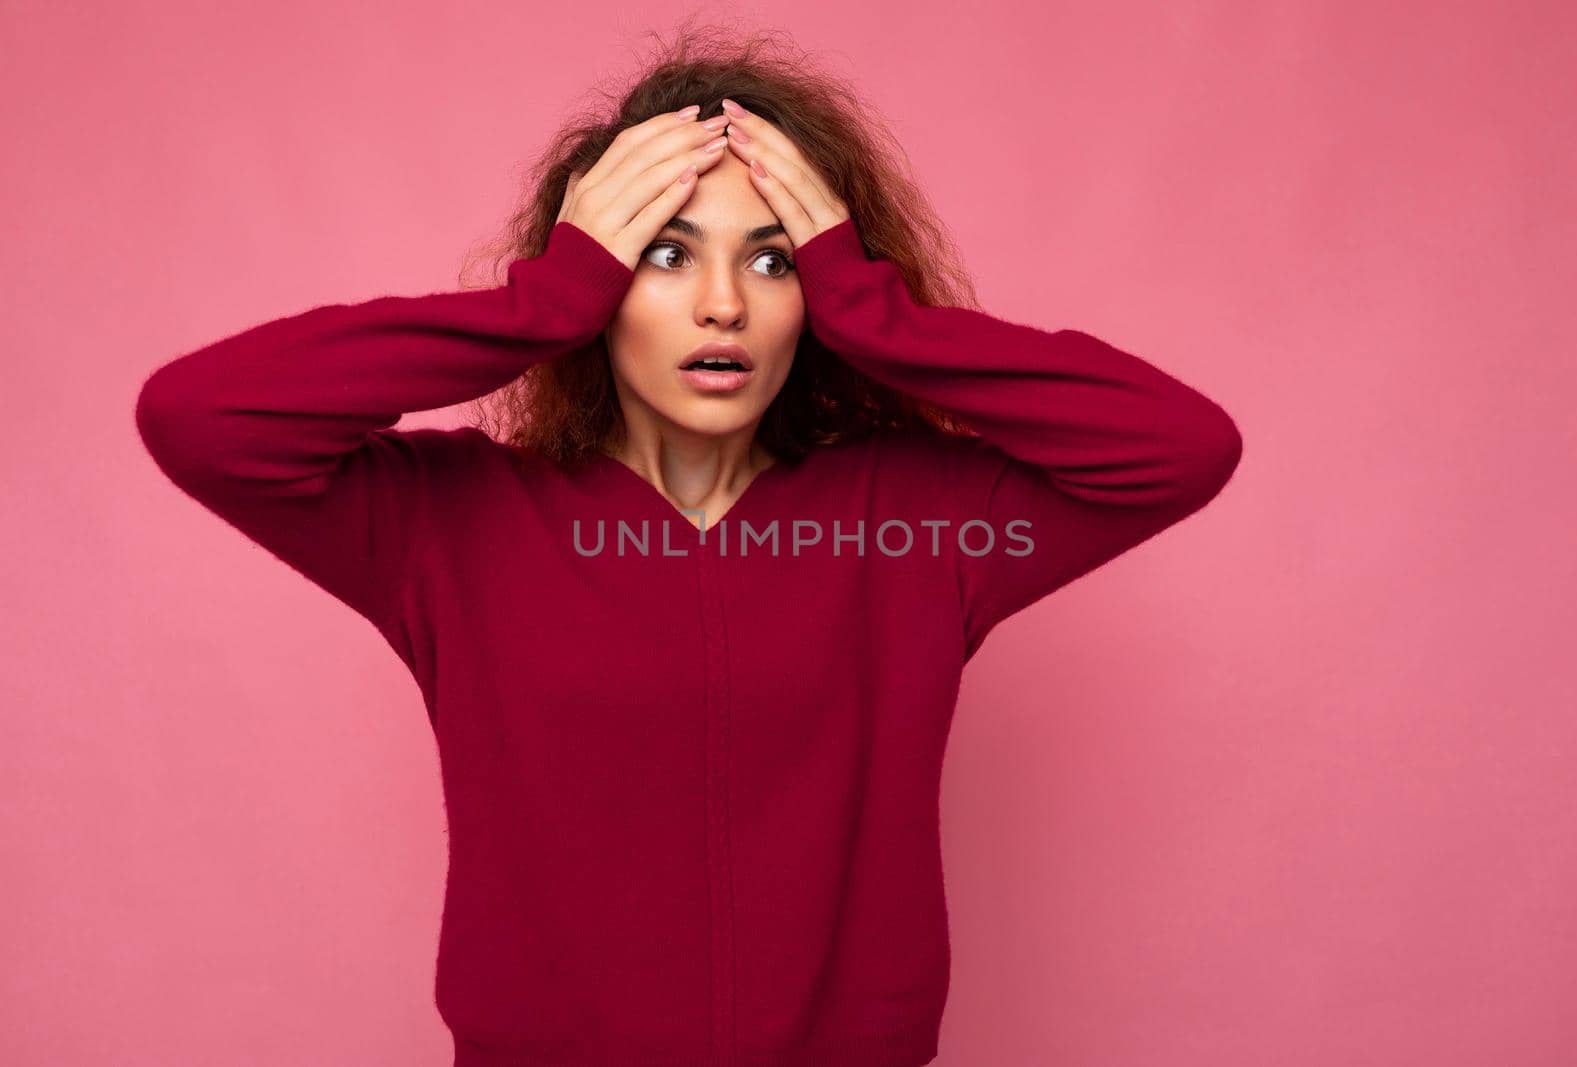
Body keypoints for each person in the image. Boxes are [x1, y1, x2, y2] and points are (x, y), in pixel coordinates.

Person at [134, 27, 1242, 1067]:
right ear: (600, 286)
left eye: (772, 263)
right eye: (664, 255)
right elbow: (201, 418)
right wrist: (540, 303)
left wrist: (875, 309)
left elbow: (1180, 447)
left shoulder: (914, 520)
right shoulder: (448, 525)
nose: (722, 305)